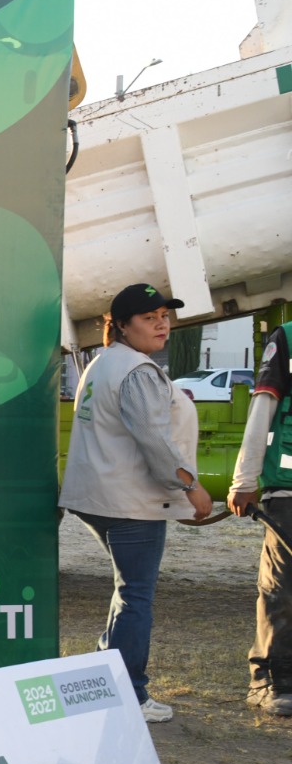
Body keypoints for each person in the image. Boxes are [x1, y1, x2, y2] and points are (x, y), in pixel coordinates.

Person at [60, 284, 212, 723]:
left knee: (127, 593)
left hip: (98, 496)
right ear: (123, 326)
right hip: (129, 502)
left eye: (165, 315)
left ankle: (105, 679)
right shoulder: (138, 371)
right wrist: (190, 486)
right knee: (136, 597)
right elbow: (155, 440)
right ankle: (130, 694)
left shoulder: (103, 362)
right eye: (149, 318)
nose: (162, 324)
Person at [226, 319, 292, 718]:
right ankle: (271, 680)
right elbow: (262, 409)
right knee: (282, 590)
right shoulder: (288, 339)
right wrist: (245, 479)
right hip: (288, 489)